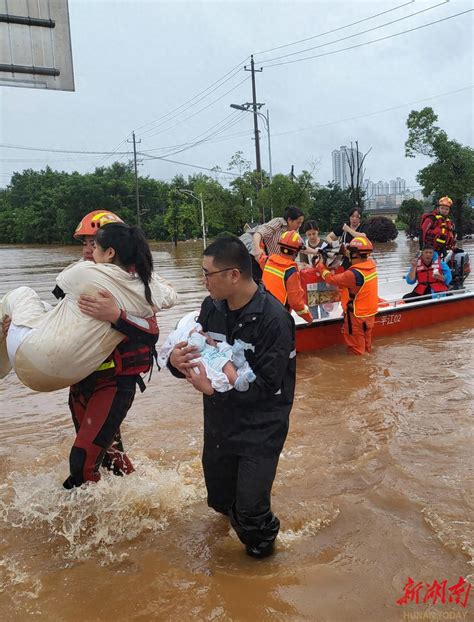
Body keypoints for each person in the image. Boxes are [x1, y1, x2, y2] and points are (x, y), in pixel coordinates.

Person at [167, 236, 296, 559]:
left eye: (207, 274)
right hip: (220, 423)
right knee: (221, 502)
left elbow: (268, 385)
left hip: (261, 427)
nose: (203, 281)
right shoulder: (211, 308)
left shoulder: (274, 320)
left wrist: (213, 389)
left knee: (252, 514)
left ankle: (263, 570)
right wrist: (174, 363)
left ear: (233, 275)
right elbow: (196, 353)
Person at [63, 222, 161, 489]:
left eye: (92, 244)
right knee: (108, 456)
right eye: (83, 243)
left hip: (113, 384)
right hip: (82, 382)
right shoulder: (79, 280)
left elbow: (151, 332)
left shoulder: (134, 288)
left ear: (109, 251)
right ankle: (140, 503)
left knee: (82, 461)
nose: (86, 249)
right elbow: (54, 320)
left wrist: (116, 316)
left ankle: (93, 519)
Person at [315, 236, 378, 355]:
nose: (349, 254)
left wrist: (321, 266)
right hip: (369, 315)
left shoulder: (352, 274)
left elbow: (331, 279)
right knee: (367, 346)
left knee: (356, 351)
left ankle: (359, 372)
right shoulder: (371, 266)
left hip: (355, 317)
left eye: (351, 252)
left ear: (356, 255)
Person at [158, 319, 256, 394]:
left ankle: (238, 369)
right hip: (216, 408)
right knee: (224, 360)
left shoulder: (267, 315)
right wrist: (173, 362)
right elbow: (183, 372)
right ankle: (236, 378)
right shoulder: (209, 306)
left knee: (225, 356)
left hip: (254, 412)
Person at [260, 231, 313, 324]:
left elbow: (261, 257)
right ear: (296, 252)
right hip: (278, 317)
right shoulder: (291, 271)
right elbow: (296, 303)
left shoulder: (268, 260)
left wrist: (260, 242)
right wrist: (308, 317)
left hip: (262, 310)